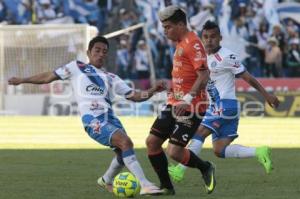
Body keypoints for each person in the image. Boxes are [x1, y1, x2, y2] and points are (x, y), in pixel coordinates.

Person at [8, 36, 164, 196]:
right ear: (88, 52)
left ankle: (106, 180)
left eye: (104, 52)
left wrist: (152, 90)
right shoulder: (76, 67)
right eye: (97, 50)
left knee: (121, 152)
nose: (101, 54)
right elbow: (49, 76)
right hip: (93, 120)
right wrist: (22, 80)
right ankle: (144, 184)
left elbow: (135, 96)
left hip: (110, 119)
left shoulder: (111, 77)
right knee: (126, 142)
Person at [168, 21, 280, 183]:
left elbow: (248, 77)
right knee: (219, 150)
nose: (209, 40)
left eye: (213, 37)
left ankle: (180, 170)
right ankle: (258, 152)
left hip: (225, 105)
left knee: (199, 132)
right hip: (219, 107)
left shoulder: (227, 56)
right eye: (205, 37)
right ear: (202, 38)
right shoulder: (201, 58)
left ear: (220, 38)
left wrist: (267, 95)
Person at [145, 6, 216, 195]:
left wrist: (187, 97)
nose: (165, 30)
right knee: (152, 142)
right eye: (163, 27)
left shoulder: (192, 43)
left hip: (192, 107)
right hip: (174, 103)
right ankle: (167, 187)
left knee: (174, 152)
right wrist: (172, 87)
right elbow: (187, 74)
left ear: (180, 24)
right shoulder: (180, 42)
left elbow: (204, 75)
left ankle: (205, 167)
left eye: (168, 27)